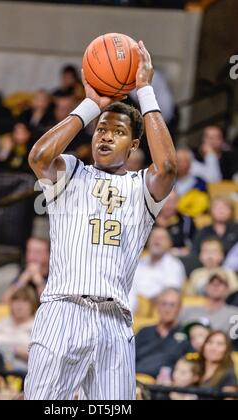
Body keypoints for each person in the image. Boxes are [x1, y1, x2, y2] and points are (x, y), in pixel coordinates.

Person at [25, 41, 177, 400]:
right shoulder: (72, 172)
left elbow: (168, 166)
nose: (106, 135)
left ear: (135, 143)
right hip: (64, 309)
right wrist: (92, 103)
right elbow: (39, 156)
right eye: (101, 129)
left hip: (115, 320)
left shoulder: (142, 189)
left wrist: (144, 89)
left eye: (118, 131)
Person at [135, 289, 189, 378]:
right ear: (157, 307)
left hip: (165, 386)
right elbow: (128, 357)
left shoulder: (186, 334)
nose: (167, 309)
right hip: (135, 380)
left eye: (172, 305)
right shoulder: (144, 331)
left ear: (179, 309)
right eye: (164, 304)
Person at [129, 227, 186, 309]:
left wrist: (145, 302)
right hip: (131, 307)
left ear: (170, 243)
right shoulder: (138, 263)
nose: (156, 241)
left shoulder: (174, 265)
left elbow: (171, 293)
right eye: (153, 237)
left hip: (156, 310)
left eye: (161, 238)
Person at [0, 287, 38, 373]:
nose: (19, 306)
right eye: (16, 301)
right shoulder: (1, 323)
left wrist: (16, 351)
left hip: (26, 373)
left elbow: (43, 356)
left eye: (25, 301)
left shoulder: (38, 326)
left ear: (32, 304)